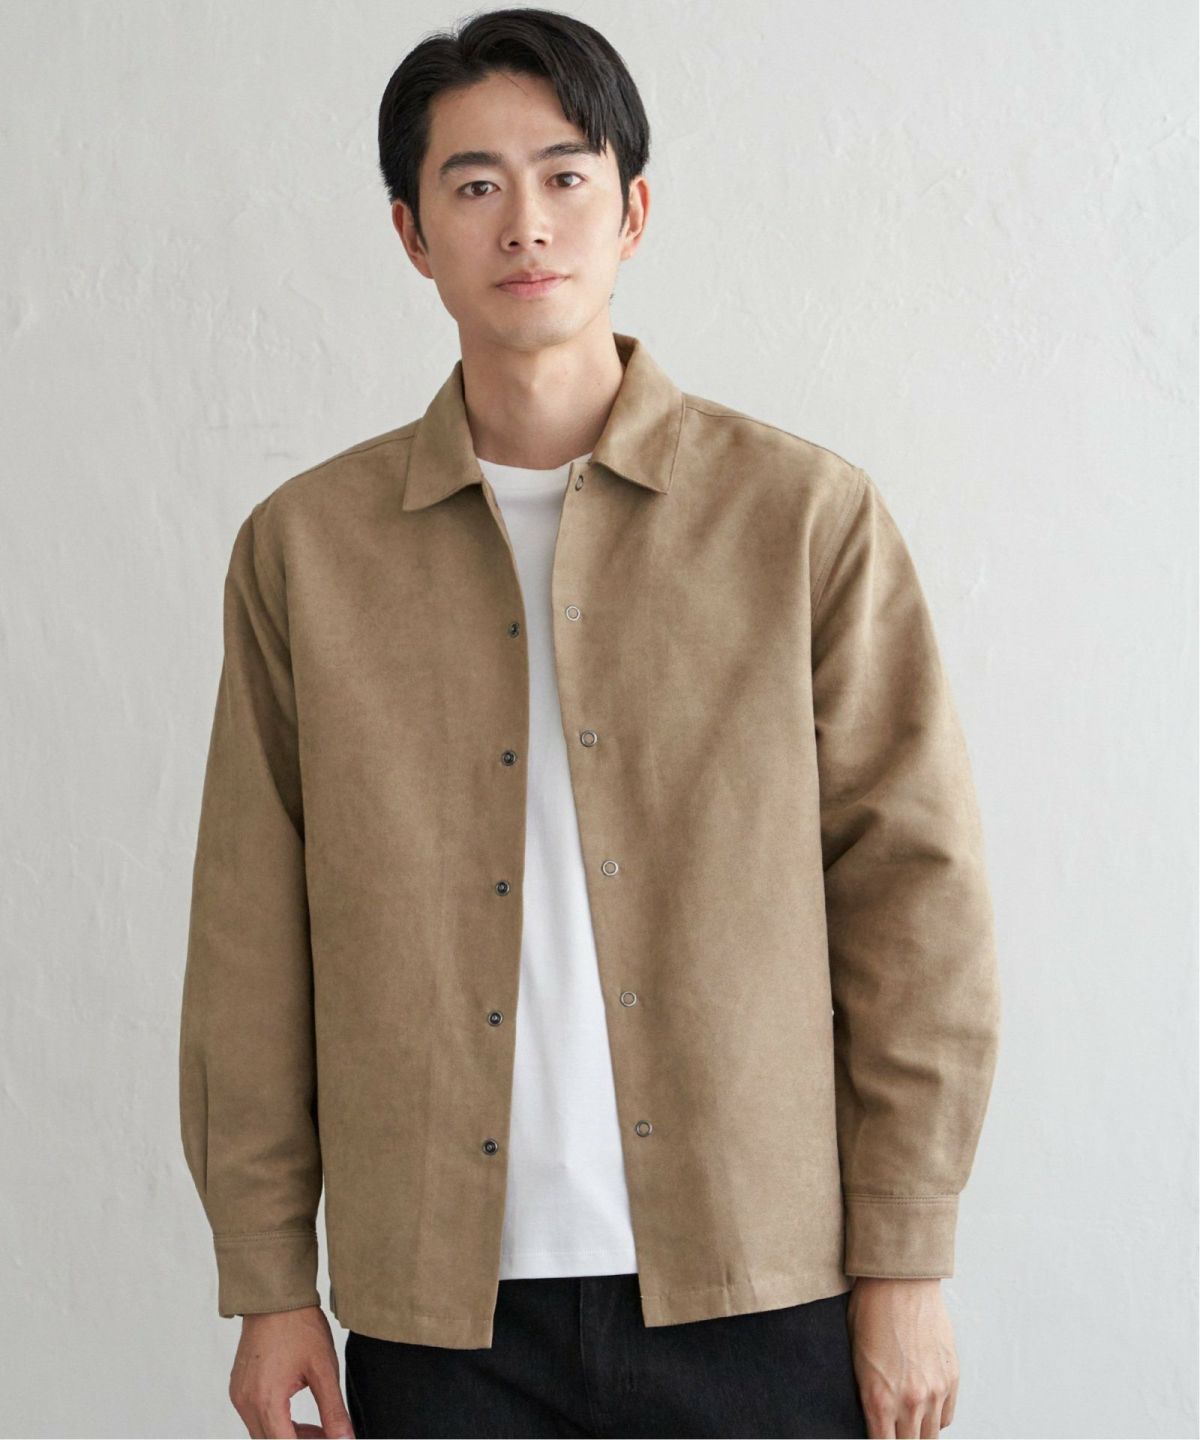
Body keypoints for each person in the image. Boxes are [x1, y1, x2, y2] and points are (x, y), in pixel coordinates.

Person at [178, 8, 1002, 1438]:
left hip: (762, 1286)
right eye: (474, 183)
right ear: (411, 233)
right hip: (442, 1317)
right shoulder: (306, 553)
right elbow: (250, 934)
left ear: (632, 211)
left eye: (566, 175)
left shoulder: (802, 521)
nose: (525, 222)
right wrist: (268, 1279)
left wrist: (908, 1255)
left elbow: (914, 904)